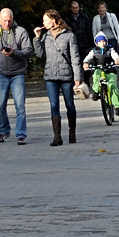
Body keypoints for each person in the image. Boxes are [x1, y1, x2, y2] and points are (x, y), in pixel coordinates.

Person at [0, 8, 34, 144]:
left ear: (12, 19)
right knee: (0, 105)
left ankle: (21, 134)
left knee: (20, 105)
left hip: (17, 73)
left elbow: (28, 51)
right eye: (4, 21)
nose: (7, 23)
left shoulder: (21, 32)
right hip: (0, 73)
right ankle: (3, 131)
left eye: (9, 21)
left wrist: (14, 53)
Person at [39, 12, 82, 146]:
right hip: (50, 76)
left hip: (66, 76)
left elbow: (75, 57)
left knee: (69, 105)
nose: (44, 23)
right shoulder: (45, 36)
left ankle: (72, 132)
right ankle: (57, 136)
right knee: (54, 106)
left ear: (55, 20)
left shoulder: (69, 35)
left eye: (46, 20)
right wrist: (36, 38)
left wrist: (77, 76)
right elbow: (40, 54)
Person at [83, 34, 119, 125]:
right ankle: (96, 91)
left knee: (112, 86)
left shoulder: (110, 49)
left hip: (110, 70)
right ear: (97, 43)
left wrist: (117, 60)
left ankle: (117, 107)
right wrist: (85, 63)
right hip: (99, 69)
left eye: (104, 41)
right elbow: (88, 58)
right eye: (100, 41)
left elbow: (115, 56)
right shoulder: (94, 51)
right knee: (96, 75)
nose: (102, 43)